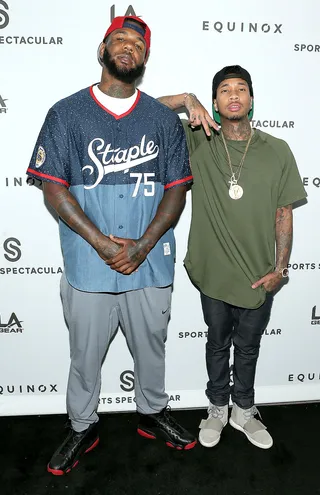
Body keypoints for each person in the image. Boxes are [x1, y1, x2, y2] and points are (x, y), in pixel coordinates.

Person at [27, 16, 196, 476]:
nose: (128, 47)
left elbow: (177, 189)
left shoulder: (161, 119)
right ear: (102, 50)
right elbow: (54, 188)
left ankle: (151, 413)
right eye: (119, 39)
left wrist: (141, 246)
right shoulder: (66, 112)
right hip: (88, 263)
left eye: (137, 43)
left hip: (150, 260)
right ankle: (83, 426)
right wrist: (102, 244)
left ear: (145, 58)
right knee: (84, 355)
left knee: (152, 348)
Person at [159, 65, 306, 449]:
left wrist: (281, 269)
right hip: (214, 270)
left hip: (259, 273)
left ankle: (244, 408)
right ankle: (217, 407)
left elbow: (283, 212)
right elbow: (147, 111)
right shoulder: (199, 138)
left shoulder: (277, 149)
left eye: (242, 89)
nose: (234, 95)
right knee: (217, 342)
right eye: (225, 90)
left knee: (249, 345)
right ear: (215, 103)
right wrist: (186, 101)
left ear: (252, 100)